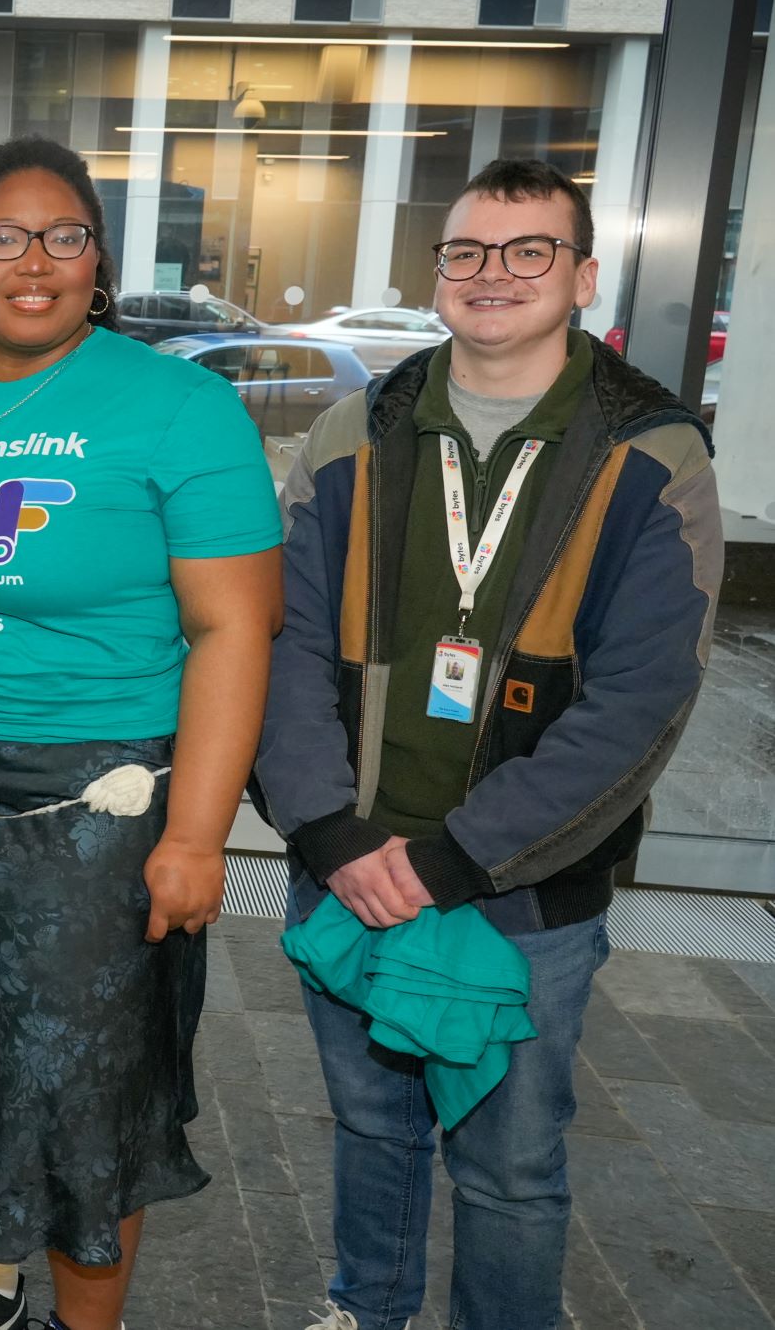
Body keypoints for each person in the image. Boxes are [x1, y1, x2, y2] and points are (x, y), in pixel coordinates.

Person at [0, 135, 284, 1330]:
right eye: (0, 238)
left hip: (94, 816)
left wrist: (196, 836)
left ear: (97, 262)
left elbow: (233, 631)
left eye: (64, 236)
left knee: (82, 1097)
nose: (34, 262)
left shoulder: (179, 407)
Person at [255, 159, 720, 1330]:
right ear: (436, 275)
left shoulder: (650, 452)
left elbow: (639, 704)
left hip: (521, 892)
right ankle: (367, 1307)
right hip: (349, 862)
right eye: (465, 252)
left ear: (580, 276)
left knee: (507, 1165)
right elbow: (283, 643)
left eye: (527, 252)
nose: (491, 275)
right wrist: (325, 828)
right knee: (368, 1125)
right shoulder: (358, 428)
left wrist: (453, 859)